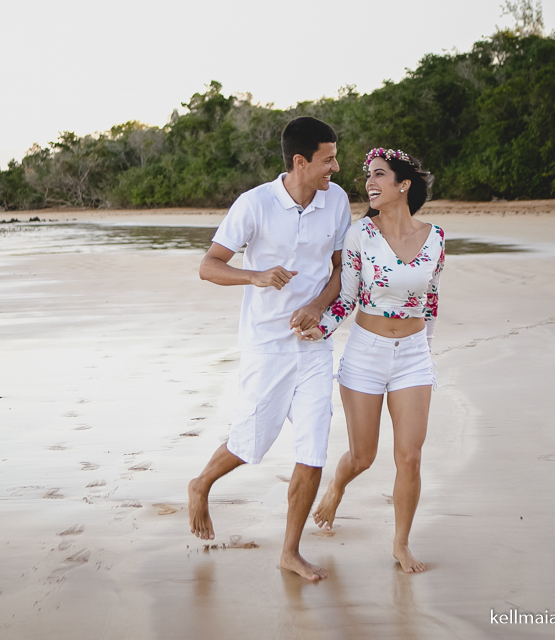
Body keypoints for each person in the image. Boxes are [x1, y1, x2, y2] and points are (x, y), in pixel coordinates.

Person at [187, 116, 352, 582]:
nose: (335, 168)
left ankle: (290, 552)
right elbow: (208, 266)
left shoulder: (336, 201)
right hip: (266, 347)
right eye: (328, 159)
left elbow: (341, 269)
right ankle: (201, 484)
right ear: (300, 162)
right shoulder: (254, 205)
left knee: (314, 447)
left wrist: (319, 306)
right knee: (252, 440)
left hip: (314, 345)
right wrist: (255, 275)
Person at [304, 148, 442, 574]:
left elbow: (431, 301)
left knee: (410, 457)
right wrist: (321, 328)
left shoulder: (435, 236)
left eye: (379, 175)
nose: (370, 183)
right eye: (369, 176)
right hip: (366, 353)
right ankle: (336, 488)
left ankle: (401, 544)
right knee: (363, 456)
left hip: (413, 358)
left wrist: (427, 353)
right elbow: (347, 297)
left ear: (403, 185)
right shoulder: (360, 234)